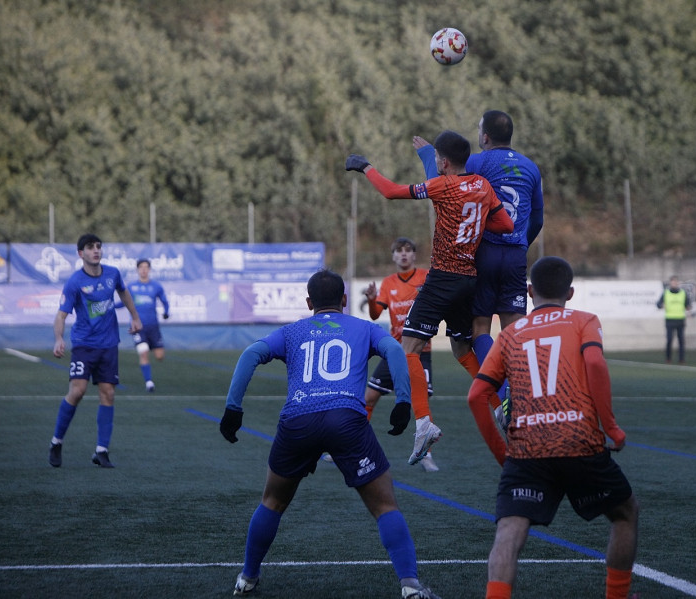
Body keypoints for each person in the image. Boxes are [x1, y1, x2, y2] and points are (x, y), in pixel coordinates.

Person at [219, 269, 439, 599]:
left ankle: (247, 578)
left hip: (297, 421)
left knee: (273, 501)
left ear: (309, 303)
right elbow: (396, 351)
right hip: (346, 421)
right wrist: (403, 402)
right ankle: (409, 586)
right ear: (345, 301)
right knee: (384, 506)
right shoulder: (363, 327)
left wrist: (233, 408)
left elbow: (250, 354)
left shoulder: (292, 332)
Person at [467, 256, 639, 599]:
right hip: (580, 441)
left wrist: (505, 454)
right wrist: (612, 428)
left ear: (530, 292)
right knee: (625, 513)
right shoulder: (585, 320)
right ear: (570, 293)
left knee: (509, 532)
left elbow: (476, 395)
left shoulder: (511, 334)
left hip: (527, 449)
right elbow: (594, 362)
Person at [346, 130, 513, 466]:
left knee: (408, 348)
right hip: (469, 279)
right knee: (462, 349)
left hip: (442, 279)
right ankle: (501, 407)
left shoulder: (443, 185)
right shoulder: (483, 185)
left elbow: (392, 192)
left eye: (437, 159)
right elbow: (506, 224)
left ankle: (423, 424)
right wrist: (477, 223)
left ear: (444, 162)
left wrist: (365, 167)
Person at [416, 110, 544, 421]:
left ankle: (503, 393)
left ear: (484, 137)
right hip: (516, 255)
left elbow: (440, 183)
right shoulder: (530, 167)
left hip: (484, 253)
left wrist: (425, 154)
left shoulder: (477, 163)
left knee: (479, 330)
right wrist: (520, 243)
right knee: (514, 330)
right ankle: (525, 391)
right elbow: (538, 218)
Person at [48, 234, 143, 468]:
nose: (96, 250)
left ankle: (101, 451)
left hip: (109, 344)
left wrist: (135, 317)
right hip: (83, 344)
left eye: (98, 247)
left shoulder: (113, 274)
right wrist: (59, 338)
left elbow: (124, 292)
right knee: (77, 391)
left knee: (108, 393)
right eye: (90, 247)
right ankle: (56, 442)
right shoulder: (74, 282)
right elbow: (61, 315)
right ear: (81, 254)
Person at [363, 237, 438, 472]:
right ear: (394, 256)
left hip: (419, 351)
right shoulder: (387, 283)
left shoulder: (426, 278)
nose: (404, 255)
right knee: (368, 399)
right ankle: (353, 446)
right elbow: (376, 315)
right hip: (393, 352)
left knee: (420, 403)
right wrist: (371, 299)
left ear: (414, 255)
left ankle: (426, 454)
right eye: (399, 251)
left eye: (408, 251)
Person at [118, 258, 170, 392]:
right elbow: (123, 302)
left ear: (149, 269)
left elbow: (165, 301)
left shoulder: (156, 286)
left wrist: (166, 312)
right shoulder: (131, 287)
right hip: (138, 327)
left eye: (146, 267)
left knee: (159, 356)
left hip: (153, 327)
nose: (144, 270)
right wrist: (110, 305)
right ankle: (149, 382)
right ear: (137, 270)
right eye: (141, 267)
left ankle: (152, 346)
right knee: (143, 353)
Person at [656, 275, 692, 364]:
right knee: (669, 340)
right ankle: (668, 358)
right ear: (670, 283)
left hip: (680, 320)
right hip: (670, 320)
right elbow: (658, 304)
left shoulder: (683, 293)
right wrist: (661, 305)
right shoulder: (666, 293)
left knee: (681, 341)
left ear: (678, 283)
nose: (675, 283)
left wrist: (688, 310)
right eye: (673, 282)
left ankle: (681, 359)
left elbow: (688, 305)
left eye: (676, 282)